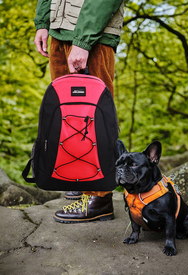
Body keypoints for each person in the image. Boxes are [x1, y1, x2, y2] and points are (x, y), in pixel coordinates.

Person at [34, 0, 124, 223]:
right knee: (68, 119)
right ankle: (79, 180)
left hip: (94, 34)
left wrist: (83, 41)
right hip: (59, 31)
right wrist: (43, 22)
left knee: (96, 121)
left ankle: (99, 199)